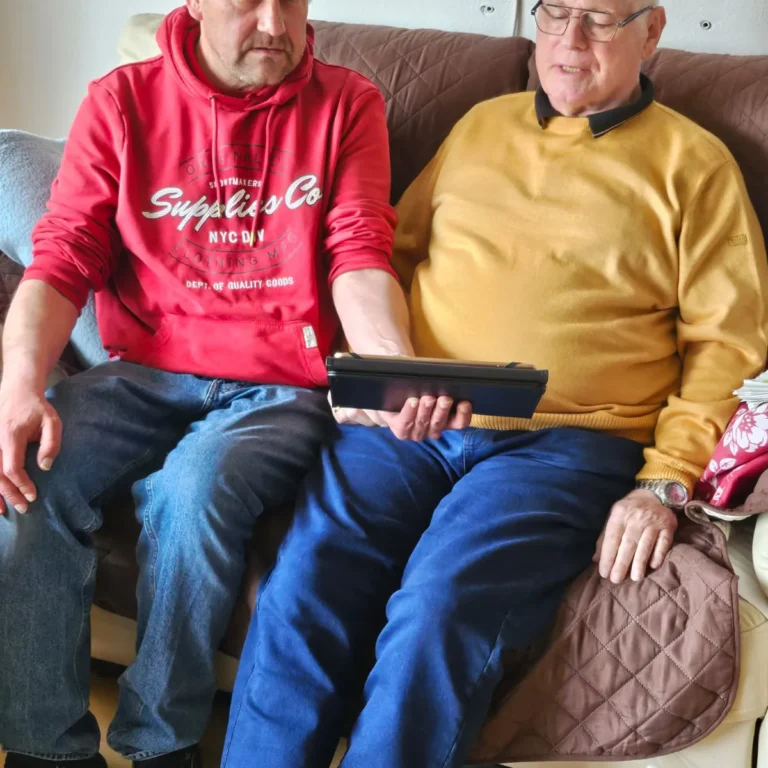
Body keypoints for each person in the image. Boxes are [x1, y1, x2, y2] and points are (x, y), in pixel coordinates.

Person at [220, 1, 768, 767]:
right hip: (413, 420)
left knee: (441, 605)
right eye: (555, 13)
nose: (570, 40)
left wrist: (665, 482)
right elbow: (390, 257)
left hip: (567, 444)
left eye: (600, 19)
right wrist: (375, 376)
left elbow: (728, 348)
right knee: (304, 583)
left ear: (651, 31)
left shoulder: (695, 163)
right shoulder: (481, 125)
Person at [0, 1, 456, 766]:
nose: (275, 23)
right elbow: (64, 255)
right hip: (142, 375)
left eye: (292, 0)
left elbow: (358, 252)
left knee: (194, 491)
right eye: (248, 0)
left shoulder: (348, 104)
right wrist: (19, 386)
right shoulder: (121, 102)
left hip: (281, 388)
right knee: (25, 478)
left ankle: (161, 745)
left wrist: (388, 367)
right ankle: (44, 749)